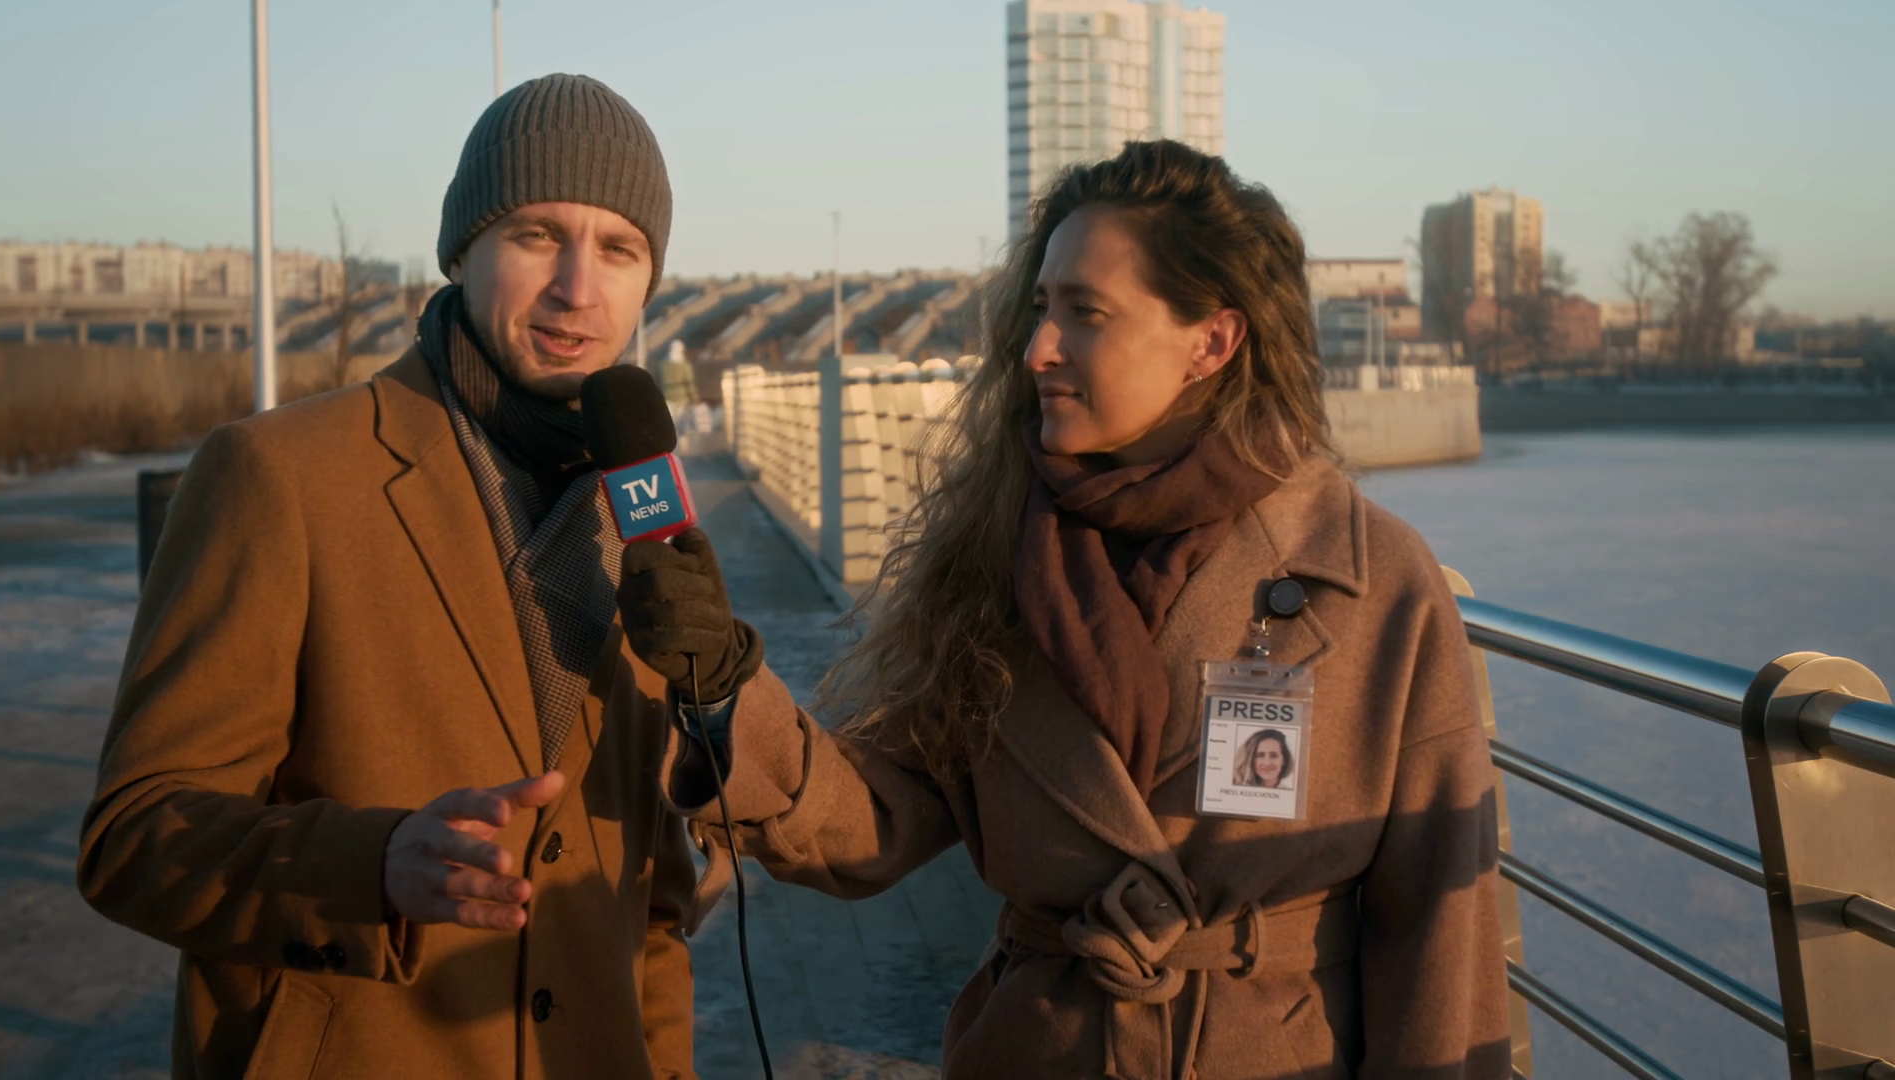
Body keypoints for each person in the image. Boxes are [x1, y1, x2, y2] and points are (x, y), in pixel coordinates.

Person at [620, 138, 1509, 1079]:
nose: (1037, 348)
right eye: (1042, 307)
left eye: (1085, 313)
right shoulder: (994, 561)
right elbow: (877, 815)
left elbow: (1439, 937)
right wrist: (727, 689)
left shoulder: (1374, 583)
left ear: (1211, 342)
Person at [76, 74, 731, 1079]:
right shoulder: (281, 475)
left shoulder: (644, 514)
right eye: (535, 235)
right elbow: (133, 836)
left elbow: (652, 903)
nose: (577, 287)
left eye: (618, 248)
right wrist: (368, 866)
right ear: (462, 249)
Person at [659, 338, 699, 434]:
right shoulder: (684, 365)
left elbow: (660, 380)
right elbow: (689, 383)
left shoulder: (664, 365)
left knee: (670, 424)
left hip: (667, 396)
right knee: (682, 424)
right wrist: (695, 398)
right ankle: (682, 441)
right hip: (682, 399)